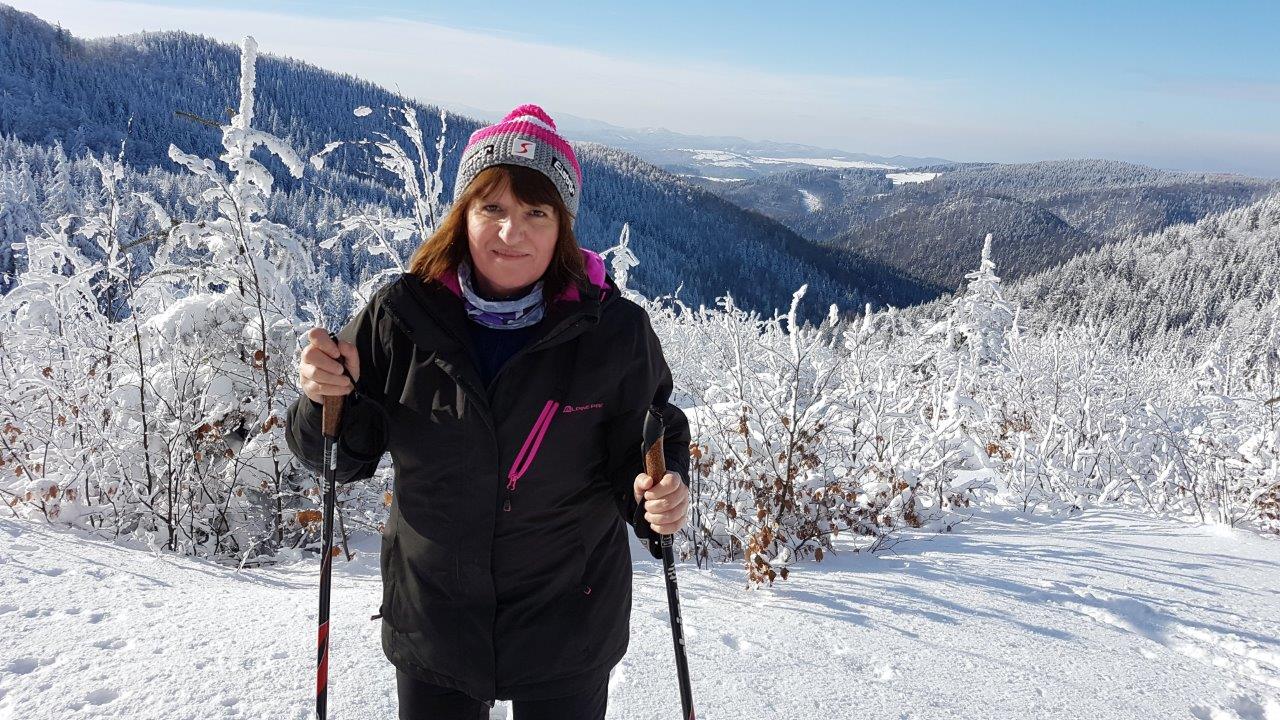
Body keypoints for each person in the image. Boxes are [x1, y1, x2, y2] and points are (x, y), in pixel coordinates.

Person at [286, 104, 691, 720]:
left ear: (563, 227)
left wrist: (657, 492)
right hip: (436, 617)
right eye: (492, 209)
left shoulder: (614, 331)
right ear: (463, 216)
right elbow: (343, 455)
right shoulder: (402, 316)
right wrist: (322, 398)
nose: (512, 233)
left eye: (536, 212)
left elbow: (649, 436)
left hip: (567, 617)